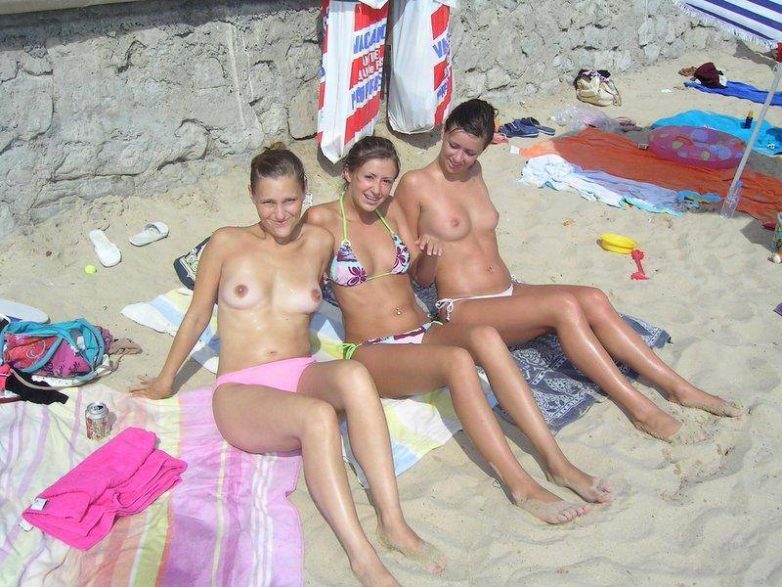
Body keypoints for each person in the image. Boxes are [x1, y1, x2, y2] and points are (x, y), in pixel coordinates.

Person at [130, 144, 444, 586]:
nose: (279, 214)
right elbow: (198, 314)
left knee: (355, 375)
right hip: (242, 389)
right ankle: (362, 557)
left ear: (305, 194)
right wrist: (165, 381)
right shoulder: (226, 242)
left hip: (299, 371)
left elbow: (373, 268)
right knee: (317, 417)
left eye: (290, 201)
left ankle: (392, 521)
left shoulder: (319, 242)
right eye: (268, 202)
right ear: (252, 197)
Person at [394, 99, 741, 444]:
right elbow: (418, 277)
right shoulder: (414, 185)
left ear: (485, 149)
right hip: (464, 306)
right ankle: (640, 409)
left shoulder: (475, 173)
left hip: (507, 290)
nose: (458, 158)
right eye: (453, 146)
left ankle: (677, 387)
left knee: (593, 298)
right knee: (563, 307)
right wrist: (430, 255)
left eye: (470, 152)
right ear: (444, 132)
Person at [305, 136, 611, 527]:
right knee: (456, 362)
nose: (377, 189)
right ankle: (519, 484)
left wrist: (431, 257)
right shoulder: (321, 220)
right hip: (372, 348)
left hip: (420, 328)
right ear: (348, 173)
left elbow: (420, 278)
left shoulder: (390, 212)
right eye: (369, 177)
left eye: (386, 181)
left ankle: (556, 462)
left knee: (485, 335)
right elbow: (295, 268)